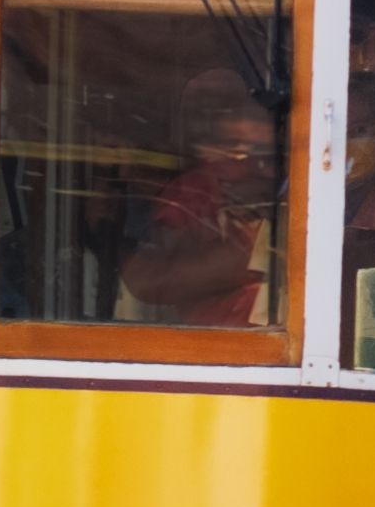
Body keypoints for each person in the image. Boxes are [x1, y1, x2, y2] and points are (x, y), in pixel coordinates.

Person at [113, 73, 288, 325]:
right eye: (236, 150)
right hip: (213, 347)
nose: (254, 166)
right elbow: (147, 282)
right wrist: (244, 253)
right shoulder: (192, 193)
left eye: (266, 156)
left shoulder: (305, 190)